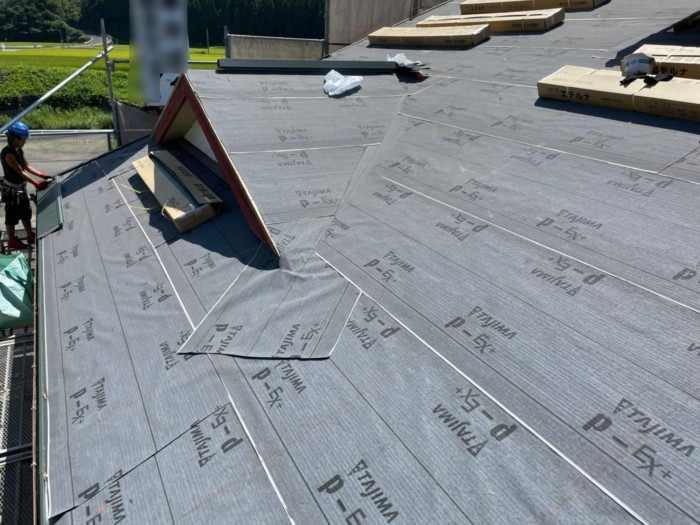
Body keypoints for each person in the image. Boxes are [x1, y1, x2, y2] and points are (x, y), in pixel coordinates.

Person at [1, 121, 51, 249]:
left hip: (20, 187)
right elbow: (20, 172)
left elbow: (26, 166)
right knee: (11, 216)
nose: (25, 141)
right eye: (23, 139)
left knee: (25, 212)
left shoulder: (18, 150)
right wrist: (35, 183)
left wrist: (42, 175)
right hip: (11, 190)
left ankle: (30, 235)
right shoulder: (8, 154)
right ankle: (11, 239)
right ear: (15, 139)